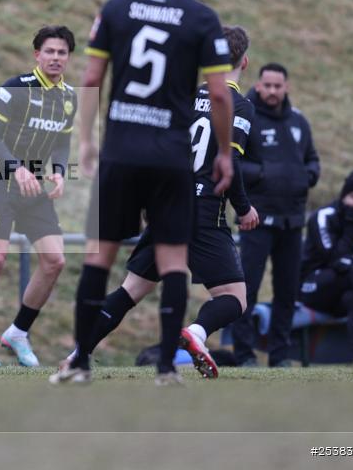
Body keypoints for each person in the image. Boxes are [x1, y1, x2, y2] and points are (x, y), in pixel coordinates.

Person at [53, 0, 234, 386]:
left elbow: (91, 79)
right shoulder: (202, 18)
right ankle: (165, 371)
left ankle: (80, 364)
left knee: (100, 259)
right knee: (173, 263)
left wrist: (87, 141)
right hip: (170, 158)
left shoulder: (116, 8)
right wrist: (224, 153)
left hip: (121, 153)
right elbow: (219, 94)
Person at [59, 25, 260, 380]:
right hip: (203, 209)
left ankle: (79, 353)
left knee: (132, 289)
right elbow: (230, 162)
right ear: (244, 62)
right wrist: (244, 209)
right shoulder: (238, 105)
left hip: (167, 201)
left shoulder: (184, 96)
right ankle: (196, 333)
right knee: (234, 297)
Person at [0, 25, 77, 368]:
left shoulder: (69, 98)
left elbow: (62, 142)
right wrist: (17, 168)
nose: (56, 57)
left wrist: (59, 171)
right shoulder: (15, 89)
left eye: (62, 52)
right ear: (37, 55)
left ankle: (18, 332)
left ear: (68, 57)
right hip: (0, 183)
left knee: (55, 260)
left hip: (34, 189)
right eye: (50, 51)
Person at [230, 62, 321, 367]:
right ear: (258, 85)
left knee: (287, 292)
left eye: (277, 86)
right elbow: (233, 161)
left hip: (292, 221)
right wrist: (264, 174)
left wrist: (307, 175)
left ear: (286, 87)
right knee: (247, 288)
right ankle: (244, 355)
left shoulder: (298, 121)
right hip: (256, 218)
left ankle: (280, 355)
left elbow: (312, 159)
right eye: (266, 85)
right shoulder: (246, 116)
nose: (271, 91)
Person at [299, 171, 353, 369]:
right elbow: (334, 259)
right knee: (352, 271)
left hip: (346, 292)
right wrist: (351, 226)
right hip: (312, 288)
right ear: (343, 196)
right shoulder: (323, 217)